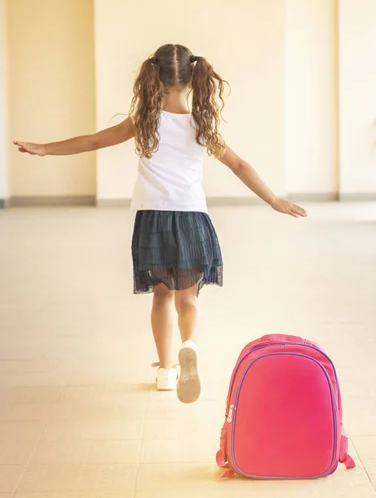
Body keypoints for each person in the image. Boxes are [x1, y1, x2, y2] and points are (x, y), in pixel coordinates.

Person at [13, 43, 307, 404]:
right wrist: (274, 200)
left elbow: (92, 141)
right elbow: (239, 165)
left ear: (153, 77)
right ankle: (190, 345)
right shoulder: (202, 124)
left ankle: (166, 370)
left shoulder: (144, 120)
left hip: (152, 218)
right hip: (192, 217)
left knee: (161, 294)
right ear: (192, 79)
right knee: (188, 297)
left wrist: (44, 148)